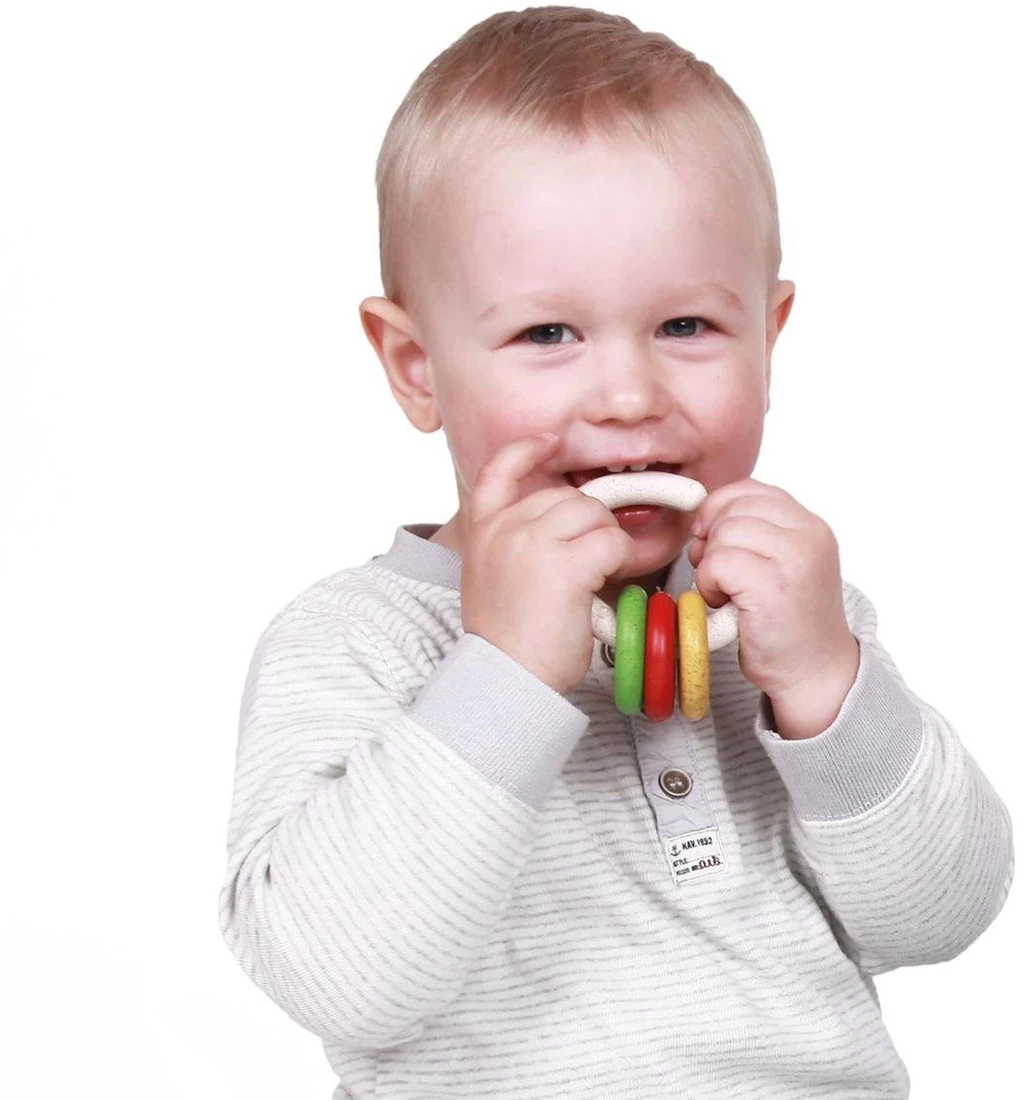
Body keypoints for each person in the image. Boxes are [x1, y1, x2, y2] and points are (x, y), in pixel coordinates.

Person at [218, 7, 1013, 1097]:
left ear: (768, 338)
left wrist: (829, 684)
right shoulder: (354, 642)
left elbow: (941, 916)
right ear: (416, 366)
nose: (629, 396)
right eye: (547, 334)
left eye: (686, 326)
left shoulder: (788, 618)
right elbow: (337, 979)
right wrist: (499, 676)